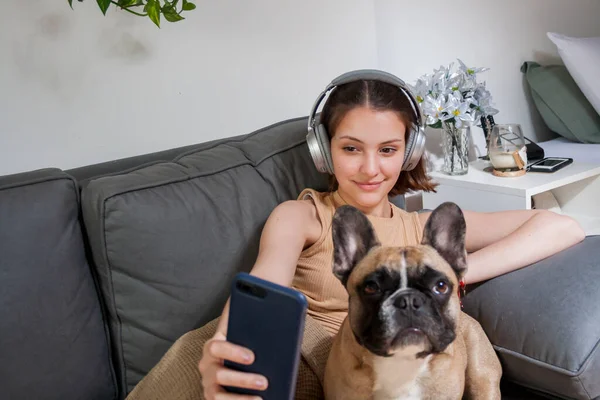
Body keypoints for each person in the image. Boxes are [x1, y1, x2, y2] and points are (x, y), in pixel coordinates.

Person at [130, 70, 586, 400]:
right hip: (317, 365)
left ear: (407, 152)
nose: (371, 169)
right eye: (351, 149)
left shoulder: (423, 229)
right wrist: (223, 352)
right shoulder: (301, 216)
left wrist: (443, 280)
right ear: (323, 150)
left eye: (387, 150)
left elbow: (560, 225)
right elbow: (262, 286)